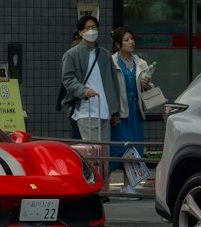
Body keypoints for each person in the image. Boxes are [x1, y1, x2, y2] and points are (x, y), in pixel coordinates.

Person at [60, 14, 124, 154]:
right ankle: (96, 176)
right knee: (94, 152)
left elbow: (113, 83)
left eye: (94, 27)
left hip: (104, 111)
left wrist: (115, 111)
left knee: (104, 152)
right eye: (87, 28)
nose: (91, 31)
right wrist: (84, 91)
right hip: (85, 109)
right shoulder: (72, 55)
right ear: (80, 32)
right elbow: (68, 79)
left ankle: (102, 176)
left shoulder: (105, 55)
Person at [110, 26, 154, 193]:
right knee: (119, 147)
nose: (131, 42)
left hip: (135, 110)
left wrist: (146, 84)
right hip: (120, 109)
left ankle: (129, 185)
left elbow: (147, 87)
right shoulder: (111, 62)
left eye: (132, 39)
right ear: (118, 44)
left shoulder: (140, 62)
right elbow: (110, 88)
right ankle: (109, 185)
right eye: (126, 40)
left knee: (134, 147)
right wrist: (112, 111)